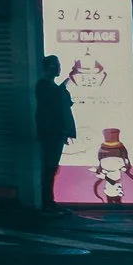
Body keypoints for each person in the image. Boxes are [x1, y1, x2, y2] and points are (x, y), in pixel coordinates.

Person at [38, 54, 77, 212]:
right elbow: (53, 106)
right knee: (49, 168)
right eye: (55, 65)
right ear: (48, 68)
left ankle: (49, 202)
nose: (58, 68)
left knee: (51, 168)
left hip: (56, 132)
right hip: (51, 133)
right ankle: (47, 203)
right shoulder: (43, 85)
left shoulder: (50, 86)